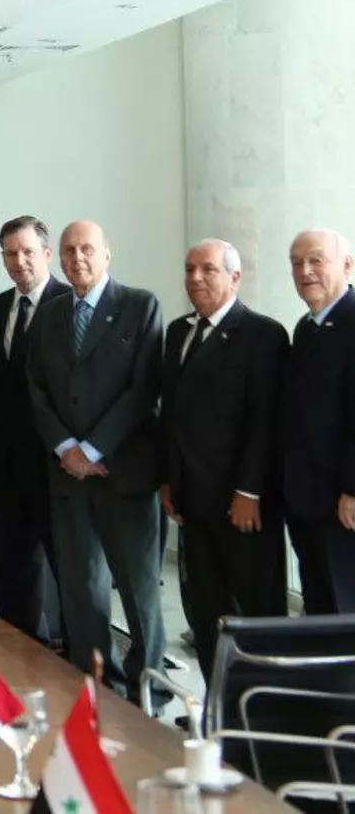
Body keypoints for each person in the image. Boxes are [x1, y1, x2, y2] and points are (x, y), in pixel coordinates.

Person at [25, 221, 166, 699]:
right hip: (68, 475)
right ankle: (97, 684)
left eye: (87, 249)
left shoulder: (140, 305)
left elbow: (143, 389)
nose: (77, 258)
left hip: (123, 472)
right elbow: (36, 388)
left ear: (107, 253)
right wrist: (66, 448)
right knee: (82, 589)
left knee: (138, 591)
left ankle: (150, 691)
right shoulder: (50, 314)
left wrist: (92, 448)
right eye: (69, 251)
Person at [160, 239, 287, 678]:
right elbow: (172, 415)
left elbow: (265, 421)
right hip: (193, 501)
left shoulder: (263, 334)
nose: (195, 278)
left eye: (208, 270)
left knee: (254, 611)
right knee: (205, 610)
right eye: (189, 269)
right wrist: (169, 481)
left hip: (242, 503)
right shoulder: (178, 332)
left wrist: (249, 491)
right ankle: (219, 704)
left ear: (235, 277)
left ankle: (264, 704)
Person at [0, 216, 69, 646]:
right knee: (13, 572)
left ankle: (79, 660)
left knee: (69, 572)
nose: (20, 262)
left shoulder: (70, 302)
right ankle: (22, 655)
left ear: (47, 254)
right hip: (8, 467)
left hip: (58, 464)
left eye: (28, 252)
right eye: (11, 254)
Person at [281, 228, 355, 614]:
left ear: (347, 265)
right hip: (306, 500)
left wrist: (352, 490)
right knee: (319, 604)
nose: (304, 271)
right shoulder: (305, 327)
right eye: (296, 263)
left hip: (343, 504)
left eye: (316, 260)